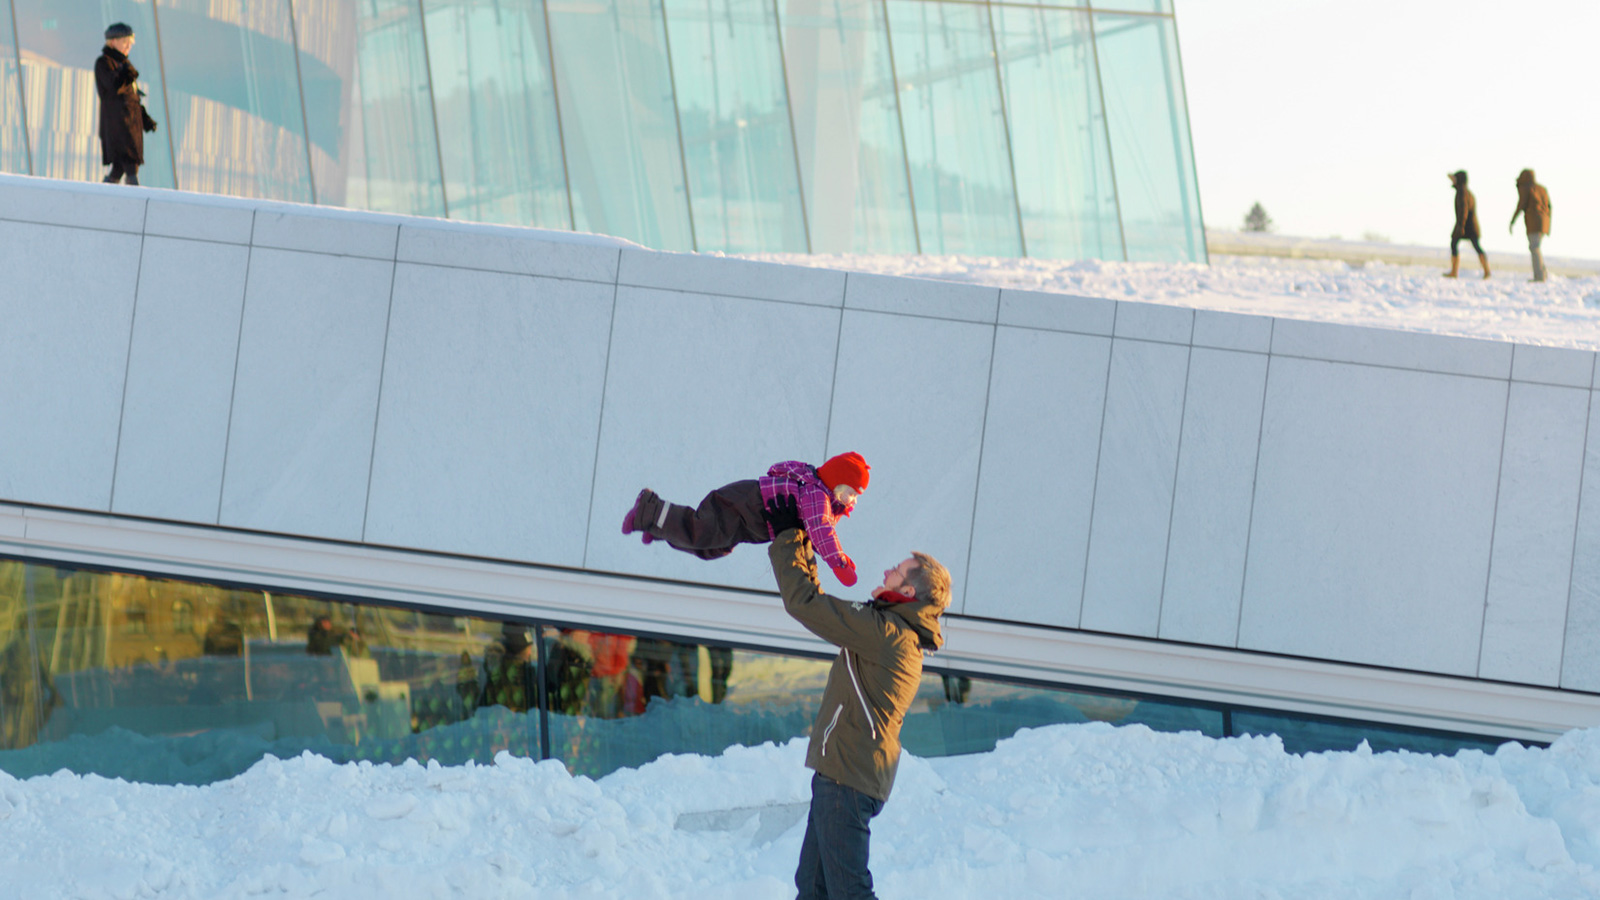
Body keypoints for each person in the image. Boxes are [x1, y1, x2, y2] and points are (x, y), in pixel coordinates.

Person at [762, 493, 952, 900]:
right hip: (843, 775)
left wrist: (787, 537)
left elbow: (806, 603)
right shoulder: (890, 630)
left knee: (849, 892)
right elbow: (818, 598)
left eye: (897, 571)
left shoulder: (887, 635)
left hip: (846, 779)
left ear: (908, 592)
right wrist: (802, 536)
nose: (887, 570)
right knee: (813, 889)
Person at [622, 451, 871, 586]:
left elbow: (815, 533)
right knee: (701, 532)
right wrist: (839, 564)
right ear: (837, 483)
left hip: (745, 518)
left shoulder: (816, 491)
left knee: (711, 548)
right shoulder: (817, 497)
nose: (853, 501)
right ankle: (649, 509)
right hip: (742, 506)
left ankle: (656, 525)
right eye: (852, 493)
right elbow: (820, 530)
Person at [94, 23, 157, 186]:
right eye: (125, 42)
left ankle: (103, 193)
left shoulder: (124, 64)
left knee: (119, 169)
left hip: (130, 126)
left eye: (130, 42)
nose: (129, 46)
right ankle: (134, 201)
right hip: (119, 126)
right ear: (112, 42)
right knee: (130, 167)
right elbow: (114, 87)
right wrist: (128, 73)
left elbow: (132, 98)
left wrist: (144, 119)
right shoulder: (104, 63)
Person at [1509, 169, 1553, 282]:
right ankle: (1542, 274)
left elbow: (1521, 205)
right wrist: (1548, 225)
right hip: (1544, 223)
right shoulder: (1542, 189)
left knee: (1534, 248)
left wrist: (1512, 221)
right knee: (1536, 247)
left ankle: (1539, 276)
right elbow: (1549, 206)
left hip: (1534, 222)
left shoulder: (1527, 188)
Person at [1444, 170, 1489, 279]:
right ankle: (1486, 271)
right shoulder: (1465, 191)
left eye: (1455, 179)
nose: (1453, 181)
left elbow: (1463, 209)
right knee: (1472, 245)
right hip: (1469, 224)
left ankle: (1455, 272)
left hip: (1466, 225)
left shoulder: (1462, 192)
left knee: (1455, 244)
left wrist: (1461, 225)